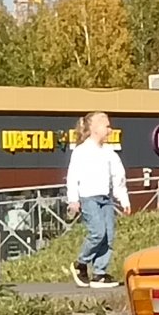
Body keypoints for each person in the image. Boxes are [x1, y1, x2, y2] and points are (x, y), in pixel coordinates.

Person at [65, 111, 129, 288]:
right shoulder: (81, 151)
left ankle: (99, 273)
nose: (110, 130)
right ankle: (80, 263)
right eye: (107, 126)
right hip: (88, 198)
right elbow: (72, 176)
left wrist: (123, 199)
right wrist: (73, 199)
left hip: (106, 199)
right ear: (94, 128)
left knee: (108, 237)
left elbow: (118, 178)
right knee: (97, 232)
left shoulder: (109, 153)